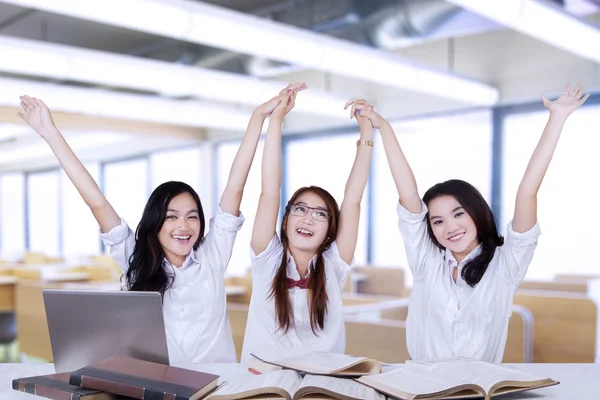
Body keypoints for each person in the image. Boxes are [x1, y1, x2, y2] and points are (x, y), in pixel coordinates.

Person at [17, 82, 307, 363]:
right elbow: (96, 201)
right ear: (156, 222)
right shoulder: (135, 258)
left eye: (192, 216)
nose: (183, 226)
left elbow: (235, 187)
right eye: (171, 217)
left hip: (218, 387)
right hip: (163, 387)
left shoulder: (212, 255)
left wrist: (258, 118)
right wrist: (50, 133)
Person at [353, 82, 590, 363]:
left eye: (458, 214)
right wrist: (384, 128)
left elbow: (528, 190)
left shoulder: (505, 264)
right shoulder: (425, 262)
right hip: (421, 388)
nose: (450, 227)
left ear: (476, 211)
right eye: (438, 221)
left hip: (479, 389)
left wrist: (557, 118)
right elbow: (407, 193)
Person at [240, 96, 375, 363]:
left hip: (320, 387)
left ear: (330, 230)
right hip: (263, 387)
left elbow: (353, 201)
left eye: (320, 214)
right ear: (286, 219)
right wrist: (276, 120)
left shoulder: (334, 265)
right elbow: (269, 191)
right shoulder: (266, 258)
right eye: (299, 209)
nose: (307, 218)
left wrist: (367, 132)